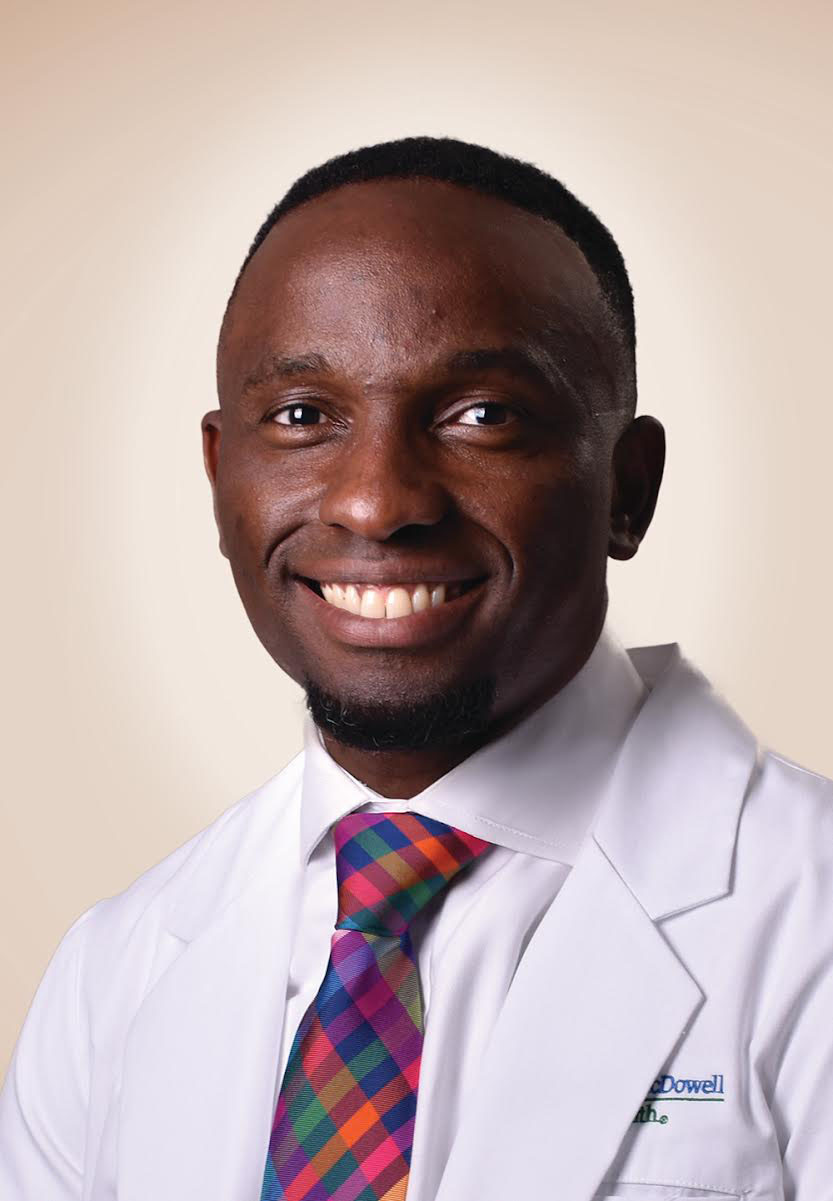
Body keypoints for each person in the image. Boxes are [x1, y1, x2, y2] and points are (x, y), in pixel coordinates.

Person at [1, 136, 831, 1201]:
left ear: (627, 490)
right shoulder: (111, 974)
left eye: (481, 416)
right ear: (219, 476)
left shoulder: (807, 914)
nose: (376, 501)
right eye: (303, 417)